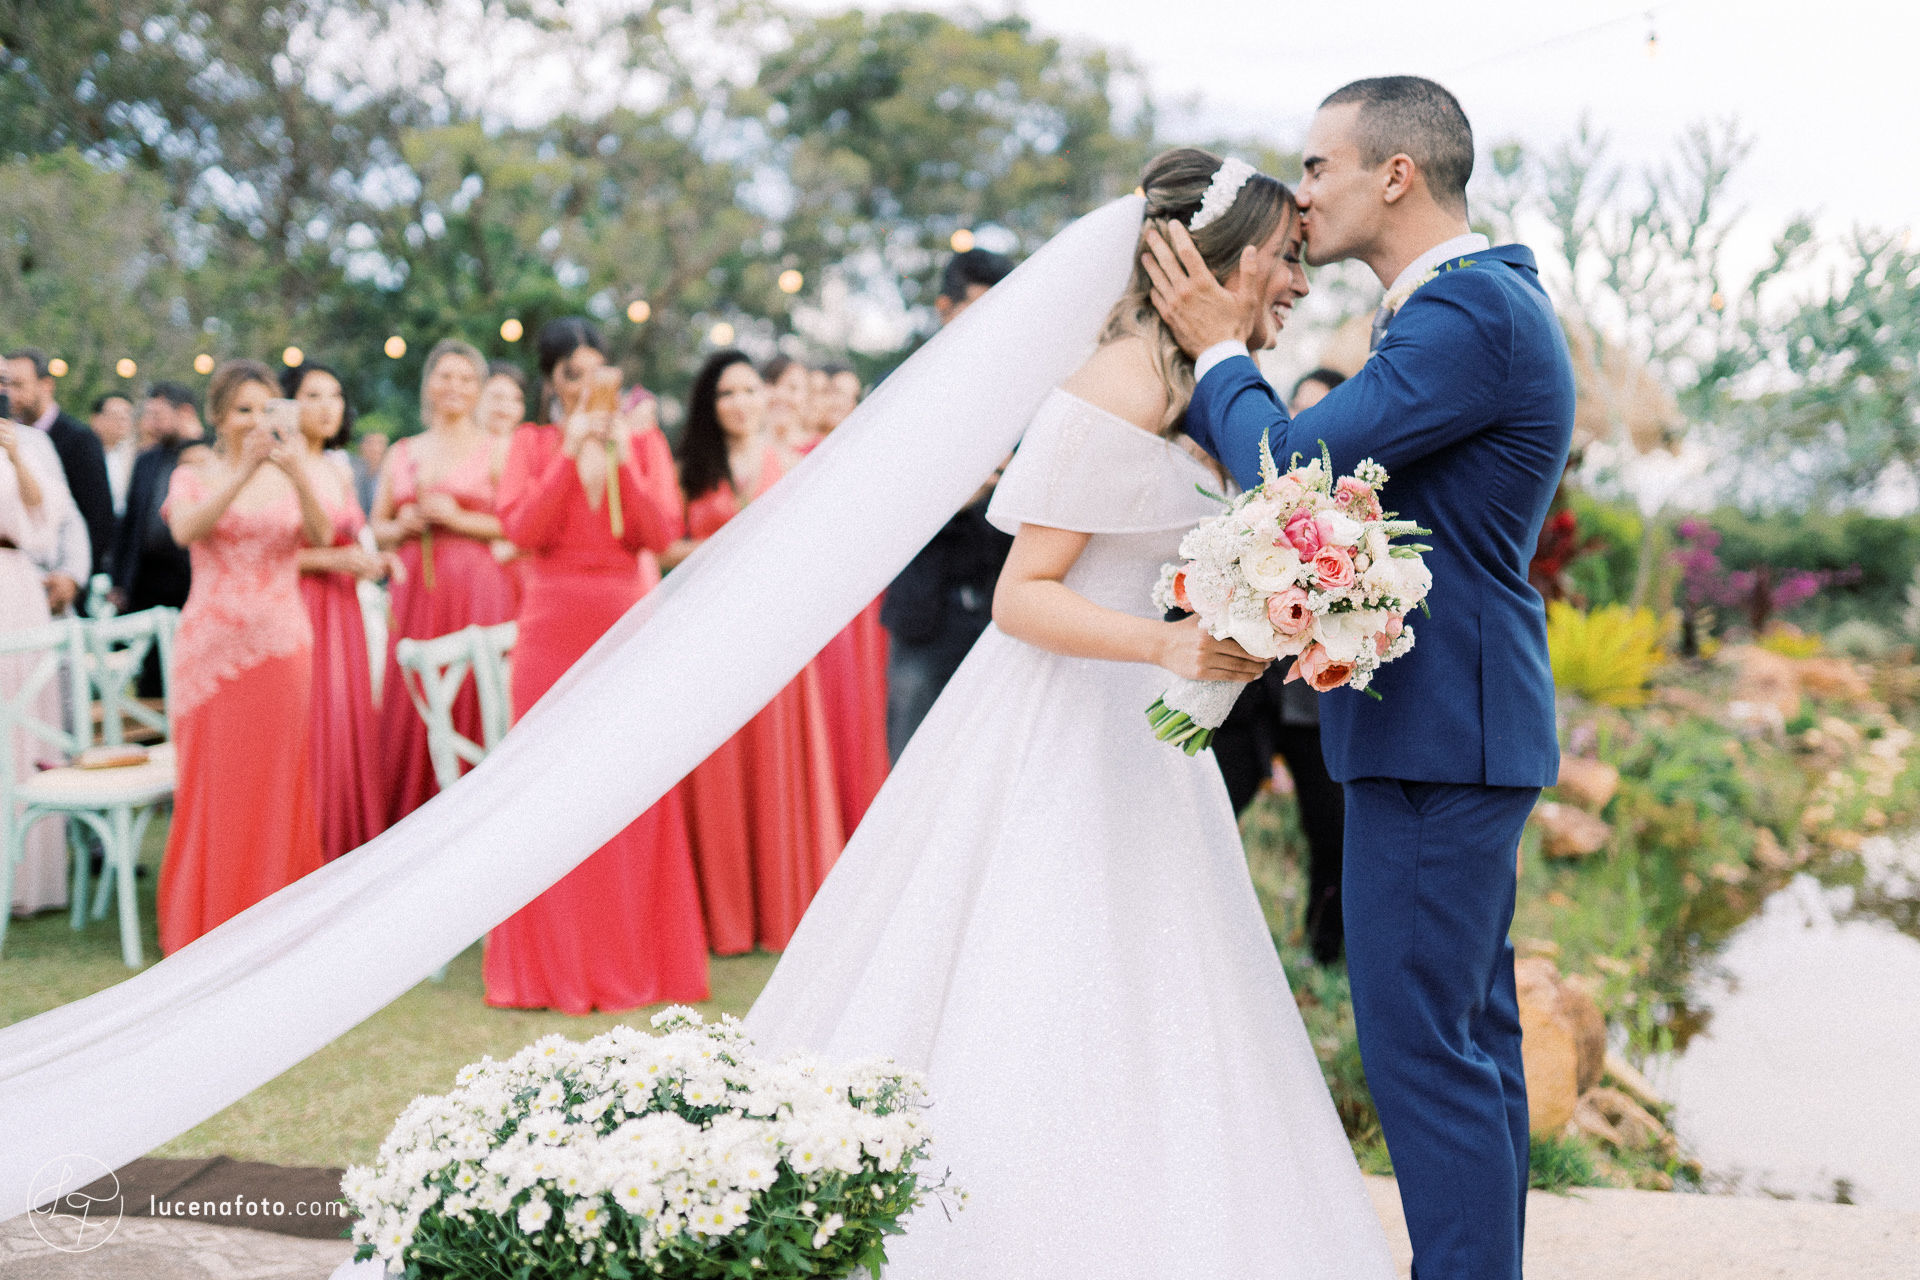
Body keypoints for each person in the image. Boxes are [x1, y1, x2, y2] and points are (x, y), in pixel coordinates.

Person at [746, 149, 1395, 1277]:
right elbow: (1022, 596)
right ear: (1224, 257)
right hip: (1062, 730)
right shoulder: (1125, 382)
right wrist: (1170, 641)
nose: (1300, 281)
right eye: (1289, 258)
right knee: (1046, 978)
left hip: (1143, 740)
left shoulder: (1197, 383)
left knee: (1164, 994)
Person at [1144, 79, 1575, 1280]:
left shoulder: (1469, 313)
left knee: (1423, 1050)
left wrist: (1217, 347)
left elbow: (1289, 463)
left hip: (1439, 734)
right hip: (1453, 730)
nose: (1305, 190)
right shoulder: (1465, 308)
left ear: (1396, 173)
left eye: (1318, 164)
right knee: (1465, 1041)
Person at [485, 318, 708, 1012]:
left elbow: (659, 532)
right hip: (551, 625)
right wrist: (566, 457)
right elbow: (521, 532)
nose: (585, 385)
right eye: (570, 374)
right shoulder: (531, 443)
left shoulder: (640, 440)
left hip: (624, 623)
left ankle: (635, 954)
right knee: (547, 785)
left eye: (595, 371)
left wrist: (621, 457)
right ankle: (550, 965)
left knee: (627, 783)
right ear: (552, 381)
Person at [667, 350, 845, 954]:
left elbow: (817, 551)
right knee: (715, 770)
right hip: (705, 637)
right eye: (725, 393)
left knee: (773, 766)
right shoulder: (688, 470)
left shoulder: (790, 465)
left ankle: (780, 911)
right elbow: (663, 547)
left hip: (772, 634)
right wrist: (713, 552)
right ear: (708, 405)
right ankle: (723, 917)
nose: (739, 403)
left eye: (747, 390)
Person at [158, 359, 331, 954]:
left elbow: (324, 535)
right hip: (211, 655)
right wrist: (241, 472)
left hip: (281, 648)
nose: (255, 420)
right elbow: (186, 532)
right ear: (217, 417)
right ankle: (208, 923)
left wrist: (297, 473)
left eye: (265, 408)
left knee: (278, 782)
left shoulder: (292, 471)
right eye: (242, 409)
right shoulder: (194, 473)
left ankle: (278, 925)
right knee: (214, 785)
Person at [1209, 365, 1350, 965]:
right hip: (1247, 701)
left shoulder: (1356, 515)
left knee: (1333, 833)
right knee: (1209, 812)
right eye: (1299, 410)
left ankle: (1326, 954)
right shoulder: (1256, 497)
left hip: (1318, 706)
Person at [370, 338, 515, 825]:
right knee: (414, 704)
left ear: (479, 390)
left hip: (477, 592)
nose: (454, 387)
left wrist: (457, 517)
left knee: (476, 696)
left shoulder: (497, 450)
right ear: (429, 384)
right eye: (445, 376)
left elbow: (516, 525)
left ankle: (485, 818)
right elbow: (375, 529)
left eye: (466, 378)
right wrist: (404, 526)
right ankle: (412, 819)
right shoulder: (402, 452)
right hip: (415, 598)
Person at [879, 247, 1017, 760]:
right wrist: (958, 497)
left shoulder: (1025, 393)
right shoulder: (900, 390)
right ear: (944, 308)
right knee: (912, 761)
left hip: (1003, 609)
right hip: (925, 609)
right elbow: (880, 503)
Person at [286, 362, 390, 863]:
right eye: (312, 395)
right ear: (288, 404)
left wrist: (368, 561)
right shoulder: (280, 465)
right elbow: (262, 552)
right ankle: (307, 850)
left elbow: (354, 532)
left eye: (334, 395)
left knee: (348, 722)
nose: (327, 406)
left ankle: (347, 849)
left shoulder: (338, 466)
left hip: (345, 609)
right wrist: (331, 559)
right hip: (300, 605)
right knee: (310, 727)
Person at [1, 414, 77, 917]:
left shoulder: (25, 441)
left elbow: (49, 516)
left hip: (12, 583)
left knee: (22, 721)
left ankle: (26, 877)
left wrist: (14, 456)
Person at [111, 382, 202, 695]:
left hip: (190, 576)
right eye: (148, 415)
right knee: (150, 672)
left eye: (159, 415)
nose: (151, 423)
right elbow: (130, 521)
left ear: (185, 412)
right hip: (148, 579)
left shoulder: (206, 454)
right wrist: (119, 580)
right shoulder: (145, 460)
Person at [2, 349, 115, 595]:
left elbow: (83, 516)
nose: (9, 393)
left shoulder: (73, 439)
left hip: (44, 577)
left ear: (46, 385)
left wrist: (73, 578)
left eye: (15, 384)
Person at [90, 393, 139, 516]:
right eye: (116, 416)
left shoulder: (134, 457)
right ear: (96, 419)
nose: (123, 422)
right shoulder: (82, 452)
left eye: (127, 417)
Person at [760, 354, 814, 459]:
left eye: (793, 388)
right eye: (774, 384)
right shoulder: (743, 451)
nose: (781, 395)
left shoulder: (822, 451)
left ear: (808, 396)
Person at [352, 431, 387, 518]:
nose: (375, 448)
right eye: (370, 443)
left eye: (379, 443)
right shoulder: (352, 471)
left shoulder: (389, 474)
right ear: (361, 446)